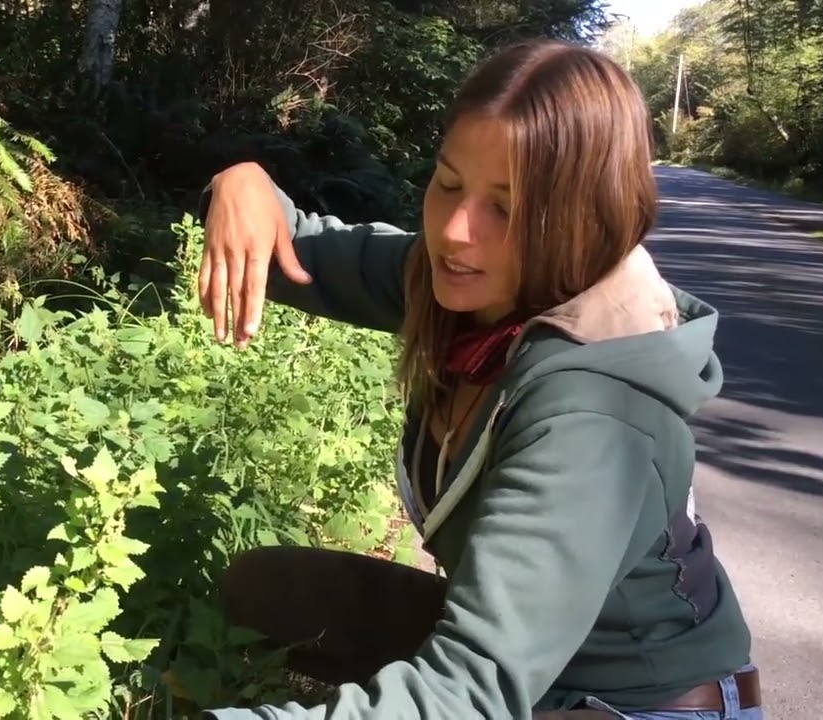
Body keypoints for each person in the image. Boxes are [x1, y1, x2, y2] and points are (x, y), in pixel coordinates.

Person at [192, 39, 763, 720]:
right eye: (449, 182)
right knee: (265, 590)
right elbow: (292, 248)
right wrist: (240, 181)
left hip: (639, 704)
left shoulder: (595, 409)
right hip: (537, 663)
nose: (457, 231)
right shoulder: (469, 288)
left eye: (506, 205)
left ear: (585, 215)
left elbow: (467, 691)